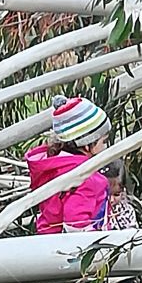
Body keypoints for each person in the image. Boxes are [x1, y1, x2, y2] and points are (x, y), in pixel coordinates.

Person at [25, 94, 113, 235]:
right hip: (70, 251)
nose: (106, 146)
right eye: (103, 141)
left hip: (46, 241)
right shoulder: (85, 178)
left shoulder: (56, 166)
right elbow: (76, 225)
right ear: (87, 144)